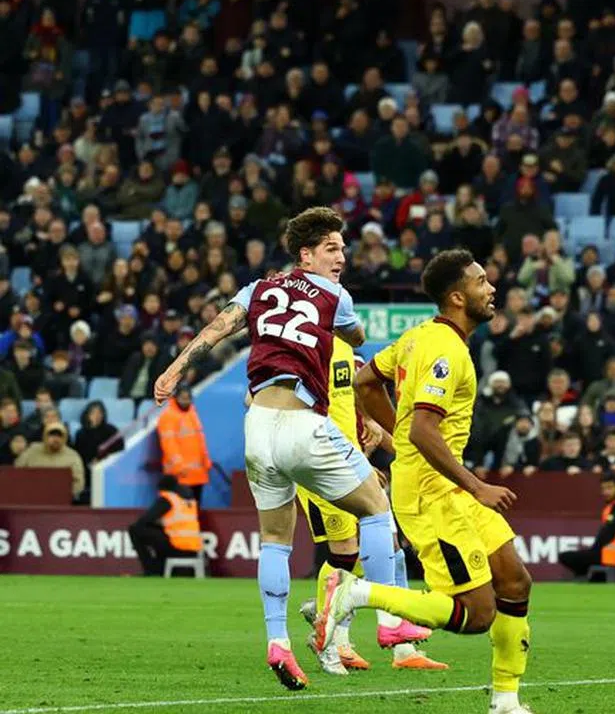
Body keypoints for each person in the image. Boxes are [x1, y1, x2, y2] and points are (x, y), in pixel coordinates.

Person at [153, 207, 402, 691]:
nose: (342, 258)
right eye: (333, 249)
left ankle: (278, 641)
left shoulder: (257, 290)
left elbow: (213, 333)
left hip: (257, 427)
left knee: (275, 540)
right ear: (305, 255)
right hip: (301, 421)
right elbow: (357, 336)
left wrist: (174, 370)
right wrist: (339, 328)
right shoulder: (335, 294)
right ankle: (392, 619)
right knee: (375, 502)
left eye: (343, 249)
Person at [323, 249, 534, 714]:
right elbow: (423, 428)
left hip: (443, 481)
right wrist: (477, 485)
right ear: (458, 297)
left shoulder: (420, 337)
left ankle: (506, 699)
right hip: (431, 491)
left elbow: (365, 381)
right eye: (481, 282)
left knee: (514, 581)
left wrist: (399, 439)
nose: (491, 288)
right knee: (477, 614)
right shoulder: (444, 350)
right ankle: (356, 593)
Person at [294, 339, 446, 674]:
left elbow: (378, 424)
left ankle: (401, 646)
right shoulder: (309, 359)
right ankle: (332, 631)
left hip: (356, 470)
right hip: (327, 469)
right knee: (346, 555)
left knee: (392, 552)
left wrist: (414, 453)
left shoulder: (352, 366)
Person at [557, 470, 615, 580]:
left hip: (614, 559)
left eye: (609, 488)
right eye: (603, 488)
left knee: (566, 557)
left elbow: (609, 532)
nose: (606, 492)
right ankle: (588, 577)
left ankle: (584, 578)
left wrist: (594, 550)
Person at [127, 474, 201, 576]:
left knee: (135, 529)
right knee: (158, 536)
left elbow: (144, 520)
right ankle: (159, 569)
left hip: (177, 546)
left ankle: (151, 570)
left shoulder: (168, 498)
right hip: (193, 549)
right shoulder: (189, 499)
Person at [156, 384, 212, 503]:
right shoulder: (168, 416)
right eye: (183, 398)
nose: (186, 401)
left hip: (198, 474)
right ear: (176, 398)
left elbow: (200, 440)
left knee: (195, 508)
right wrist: (179, 467)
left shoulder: (192, 413)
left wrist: (206, 461)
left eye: (188, 398)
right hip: (179, 475)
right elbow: (169, 445)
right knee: (181, 508)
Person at [14, 421, 84, 500]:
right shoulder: (32, 451)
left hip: (61, 500)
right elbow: (17, 472)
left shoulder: (72, 456)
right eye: (52, 435)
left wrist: (66, 494)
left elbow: (79, 482)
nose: (56, 439)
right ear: (45, 436)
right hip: (31, 498)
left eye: (59, 436)